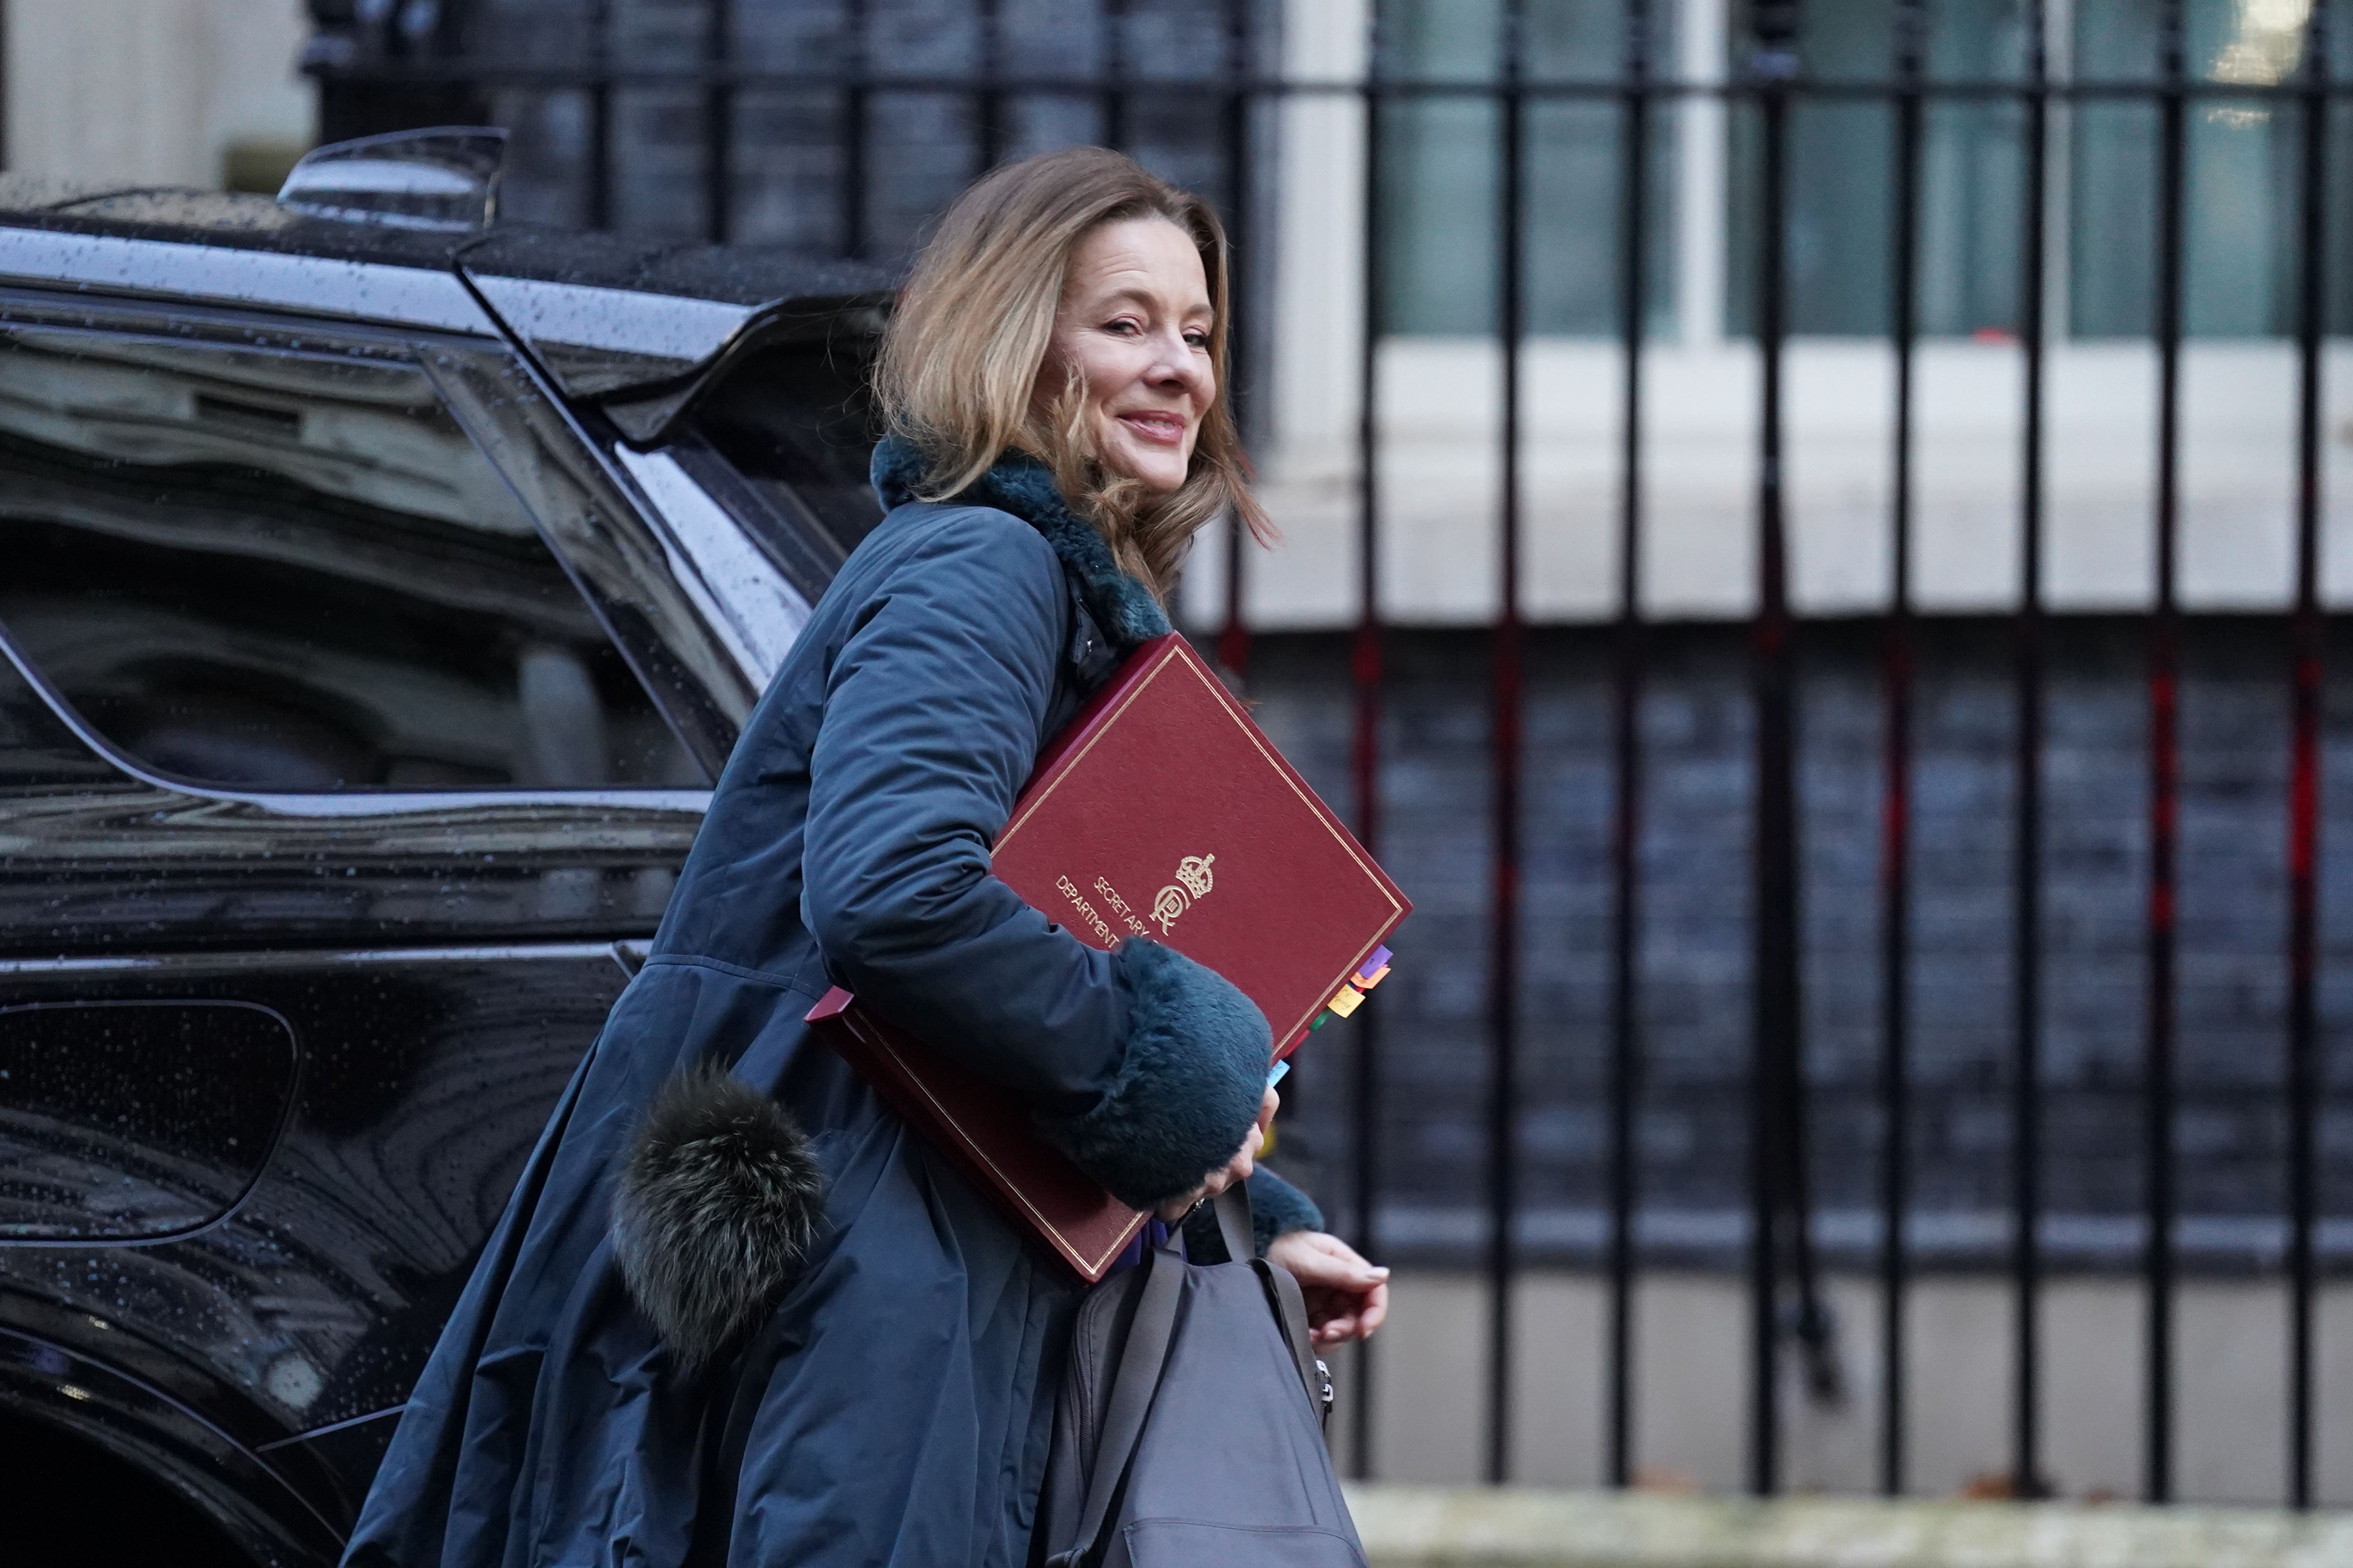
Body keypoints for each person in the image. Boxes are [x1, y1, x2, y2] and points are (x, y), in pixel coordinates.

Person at [345, 145, 1388, 1568]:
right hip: (874, 1273)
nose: (1179, 371)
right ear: (1018, 342)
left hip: (914, 1256)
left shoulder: (1039, 585)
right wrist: (1166, 1076)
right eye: (1124, 324)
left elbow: (1039, 973)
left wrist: (1250, 1211)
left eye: (1197, 333)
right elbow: (895, 892)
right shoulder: (986, 565)